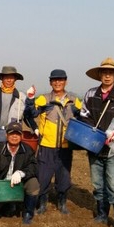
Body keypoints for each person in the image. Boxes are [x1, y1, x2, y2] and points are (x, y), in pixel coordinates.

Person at [80, 57, 114, 227]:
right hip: (94, 146)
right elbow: (84, 115)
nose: (107, 76)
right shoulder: (90, 94)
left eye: (111, 73)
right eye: (104, 72)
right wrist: (94, 133)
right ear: (100, 75)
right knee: (97, 183)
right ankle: (102, 214)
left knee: (113, 183)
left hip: (113, 149)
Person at [24, 69, 81, 215]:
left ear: (65, 81)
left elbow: (83, 119)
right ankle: (42, 204)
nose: (57, 82)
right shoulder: (44, 99)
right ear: (50, 82)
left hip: (66, 146)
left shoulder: (74, 100)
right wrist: (30, 100)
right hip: (46, 146)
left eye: (60, 80)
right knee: (43, 176)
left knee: (64, 177)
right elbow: (29, 114)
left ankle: (62, 203)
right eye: (54, 80)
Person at [0, 122, 40, 224]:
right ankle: (8, 205)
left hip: (18, 185)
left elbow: (34, 167)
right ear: (6, 135)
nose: (14, 136)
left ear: (21, 136)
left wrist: (21, 173)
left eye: (17, 134)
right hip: (2, 187)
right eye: (11, 134)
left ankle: (28, 213)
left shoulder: (28, 150)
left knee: (33, 184)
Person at [0, 66, 36, 143]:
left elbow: (29, 114)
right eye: (6, 77)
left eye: (11, 77)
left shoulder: (21, 97)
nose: (9, 80)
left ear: (15, 79)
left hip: (13, 135)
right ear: (2, 78)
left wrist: (30, 99)